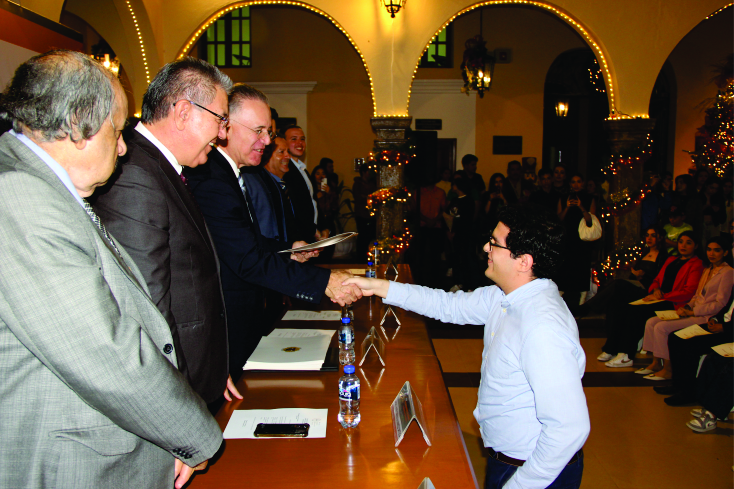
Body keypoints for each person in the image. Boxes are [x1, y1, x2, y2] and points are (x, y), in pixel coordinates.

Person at [0, 50, 220, 488]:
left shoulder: (40, 186)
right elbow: (105, 351)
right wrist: (194, 436)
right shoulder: (20, 196)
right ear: (79, 124)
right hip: (69, 463)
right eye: (117, 131)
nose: (122, 147)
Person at [344, 204, 590, 489]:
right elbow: (447, 305)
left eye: (494, 243)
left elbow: (568, 427)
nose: (486, 248)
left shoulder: (542, 327)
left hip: (534, 471)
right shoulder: (507, 296)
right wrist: (377, 287)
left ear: (523, 261)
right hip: (509, 460)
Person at [184, 84, 361, 379]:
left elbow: (245, 240)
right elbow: (246, 259)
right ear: (226, 127)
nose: (266, 141)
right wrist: (325, 281)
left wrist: (289, 249)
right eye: (259, 131)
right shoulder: (212, 178)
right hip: (226, 321)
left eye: (268, 132)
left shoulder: (229, 173)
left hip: (247, 314)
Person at [93, 57, 241, 410]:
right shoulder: (135, 174)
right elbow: (147, 313)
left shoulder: (160, 167)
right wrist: (180, 407)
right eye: (220, 120)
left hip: (198, 374)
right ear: (184, 112)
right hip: (175, 393)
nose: (223, 134)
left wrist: (212, 365)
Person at [601, 231, 703, 368]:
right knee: (619, 304)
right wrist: (655, 290)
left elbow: (688, 292)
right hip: (658, 297)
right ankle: (612, 348)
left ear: (696, 246)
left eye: (688, 243)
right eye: (681, 242)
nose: (683, 246)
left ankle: (626, 354)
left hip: (673, 302)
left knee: (635, 311)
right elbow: (657, 280)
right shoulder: (671, 260)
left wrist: (662, 296)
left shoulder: (696, 264)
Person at [639, 235, 732, 380]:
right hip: (694, 311)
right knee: (652, 322)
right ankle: (656, 362)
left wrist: (693, 311)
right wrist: (687, 307)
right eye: (709, 250)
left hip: (706, 316)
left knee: (662, 327)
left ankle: (668, 369)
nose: (711, 254)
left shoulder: (728, 272)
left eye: (717, 250)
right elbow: (697, 295)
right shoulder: (708, 269)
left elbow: (721, 303)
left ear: (725, 252)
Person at [659, 286, 733, 407]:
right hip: (722, 325)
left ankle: (689, 392)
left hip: (729, 332)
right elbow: (727, 307)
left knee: (691, 345)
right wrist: (714, 319)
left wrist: (724, 327)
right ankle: (678, 384)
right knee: (675, 337)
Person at [577, 226, 668, 320]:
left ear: (659, 238)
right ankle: (591, 308)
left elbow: (660, 277)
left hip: (647, 287)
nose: (649, 238)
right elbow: (634, 274)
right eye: (647, 235)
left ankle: (587, 307)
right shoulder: (644, 253)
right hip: (637, 283)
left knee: (617, 284)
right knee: (614, 289)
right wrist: (635, 273)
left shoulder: (662, 256)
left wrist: (644, 275)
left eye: (653, 235)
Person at [557, 172, 596, 314]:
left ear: (583, 183)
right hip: (567, 237)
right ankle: (560, 299)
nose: (576, 185)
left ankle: (582, 300)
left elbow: (591, 220)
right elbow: (559, 219)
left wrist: (581, 207)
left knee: (582, 267)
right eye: (573, 182)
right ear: (570, 184)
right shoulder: (563, 198)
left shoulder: (589, 198)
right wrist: (567, 207)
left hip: (582, 239)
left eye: (579, 181)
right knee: (565, 267)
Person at [283, 125, 318, 241]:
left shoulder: (303, 170)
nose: (300, 143)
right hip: (300, 236)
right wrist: (313, 231)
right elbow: (297, 207)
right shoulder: (286, 171)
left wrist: (322, 227)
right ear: (284, 143)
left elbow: (312, 201)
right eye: (294, 139)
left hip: (311, 233)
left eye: (302, 139)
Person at [352, 163, 377, 259]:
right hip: (361, 214)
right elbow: (358, 197)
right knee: (362, 237)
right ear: (363, 172)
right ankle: (361, 257)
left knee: (371, 236)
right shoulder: (357, 184)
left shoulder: (373, 183)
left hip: (372, 215)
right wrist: (369, 197)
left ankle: (370, 256)